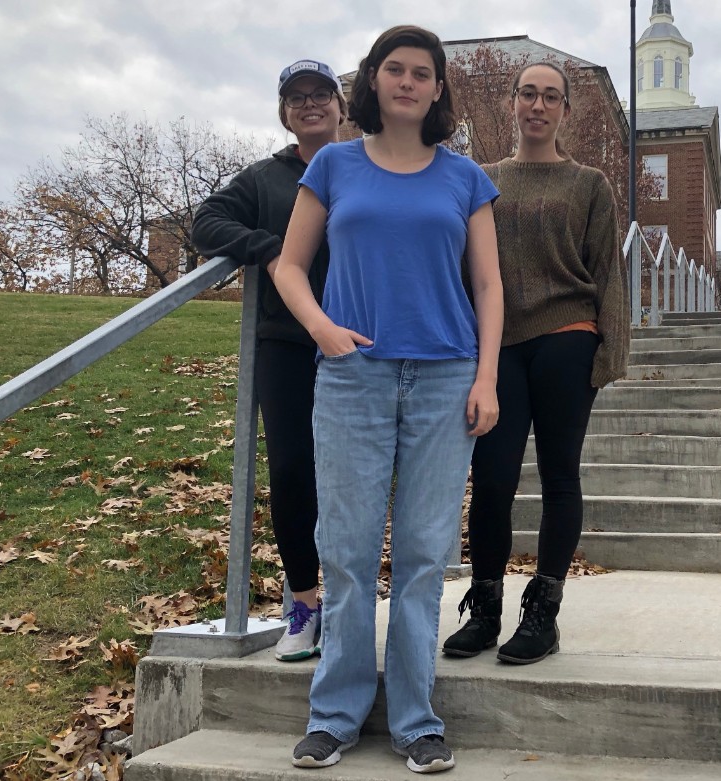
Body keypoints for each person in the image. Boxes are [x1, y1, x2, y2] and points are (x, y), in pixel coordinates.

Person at [271, 25, 502, 775]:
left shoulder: (465, 177)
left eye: (422, 73)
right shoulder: (335, 165)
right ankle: (332, 715)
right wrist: (321, 328)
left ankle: (415, 720)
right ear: (372, 82)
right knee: (345, 550)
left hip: (444, 378)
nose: (406, 82)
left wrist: (486, 376)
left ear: (438, 90)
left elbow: (490, 285)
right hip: (354, 377)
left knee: (425, 554)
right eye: (393, 69)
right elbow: (289, 265)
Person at [442, 60, 628, 665]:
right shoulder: (481, 180)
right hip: (498, 344)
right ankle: (487, 607)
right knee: (491, 477)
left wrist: (608, 356)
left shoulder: (589, 184)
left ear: (566, 110)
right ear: (512, 105)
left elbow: (607, 275)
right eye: (528, 94)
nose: (539, 105)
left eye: (551, 97)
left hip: (568, 338)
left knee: (558, 475)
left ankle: (543, 612)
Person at [191, 58, 346, 663]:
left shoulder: (365, 166)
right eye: (297, 98)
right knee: (291, 469)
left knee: (356, 474)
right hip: (286, 341)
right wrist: (274, 250)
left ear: (340, 106)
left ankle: (352, 602)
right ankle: (304, 603)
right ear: (284, 112)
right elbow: (207, 223)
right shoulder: (264, 178)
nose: (310, 105)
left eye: (321, 95)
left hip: (363, 340)